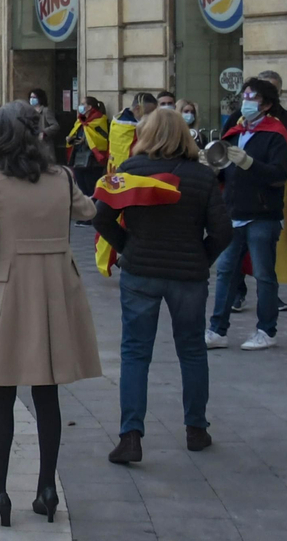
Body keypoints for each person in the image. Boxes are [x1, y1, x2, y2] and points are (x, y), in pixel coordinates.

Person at [0, 102, 101, 527]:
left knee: (1, 392)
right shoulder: (61, 176)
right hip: (58, 285)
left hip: (11, 282)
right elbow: (88, 211)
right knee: (47, 390)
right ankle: (46, 488)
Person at [94, 108, 232, 464]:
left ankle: (131, 435)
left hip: (140, 271)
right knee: (191, 350)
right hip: (188, 275)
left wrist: (127, 247)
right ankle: (196, 428)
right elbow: (222, 231)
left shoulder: (130, 172)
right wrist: (201, 256)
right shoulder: (202, 176)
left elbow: (101, 216)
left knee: (136, 353)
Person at [205, 78, 287, 352]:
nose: (246, 102)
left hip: (262, 214)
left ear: (266, 105)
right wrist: (210, 166)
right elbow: (224, 170)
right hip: (234, 212)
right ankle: (217, 330)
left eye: (252, 98)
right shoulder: (234, 129)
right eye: (244, 96)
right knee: (226, 272)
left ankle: (266, 330)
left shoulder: (276, 134)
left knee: (264, 274)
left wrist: (250, 163)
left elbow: (280, 175)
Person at [225, 70, 287, 314]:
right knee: (227, 266)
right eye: (247, 95)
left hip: (266, 204)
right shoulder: (236, 121)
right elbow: (224, 151)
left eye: (257, 96)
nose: (249, 101)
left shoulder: (286, 125)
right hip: (236, 203)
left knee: (265, 263)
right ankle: (226, 311)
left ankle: (267, 313)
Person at [65, 96, 110, 198]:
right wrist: (72, 139)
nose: (79, 107)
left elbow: (102, 139)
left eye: (82, 104)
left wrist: (85, 140)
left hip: (93, 162)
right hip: (79, 160)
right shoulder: (80, 121)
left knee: (92, 190)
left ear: (89, 107)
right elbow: (77, 134)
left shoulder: (99, 120)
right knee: (81, 190)